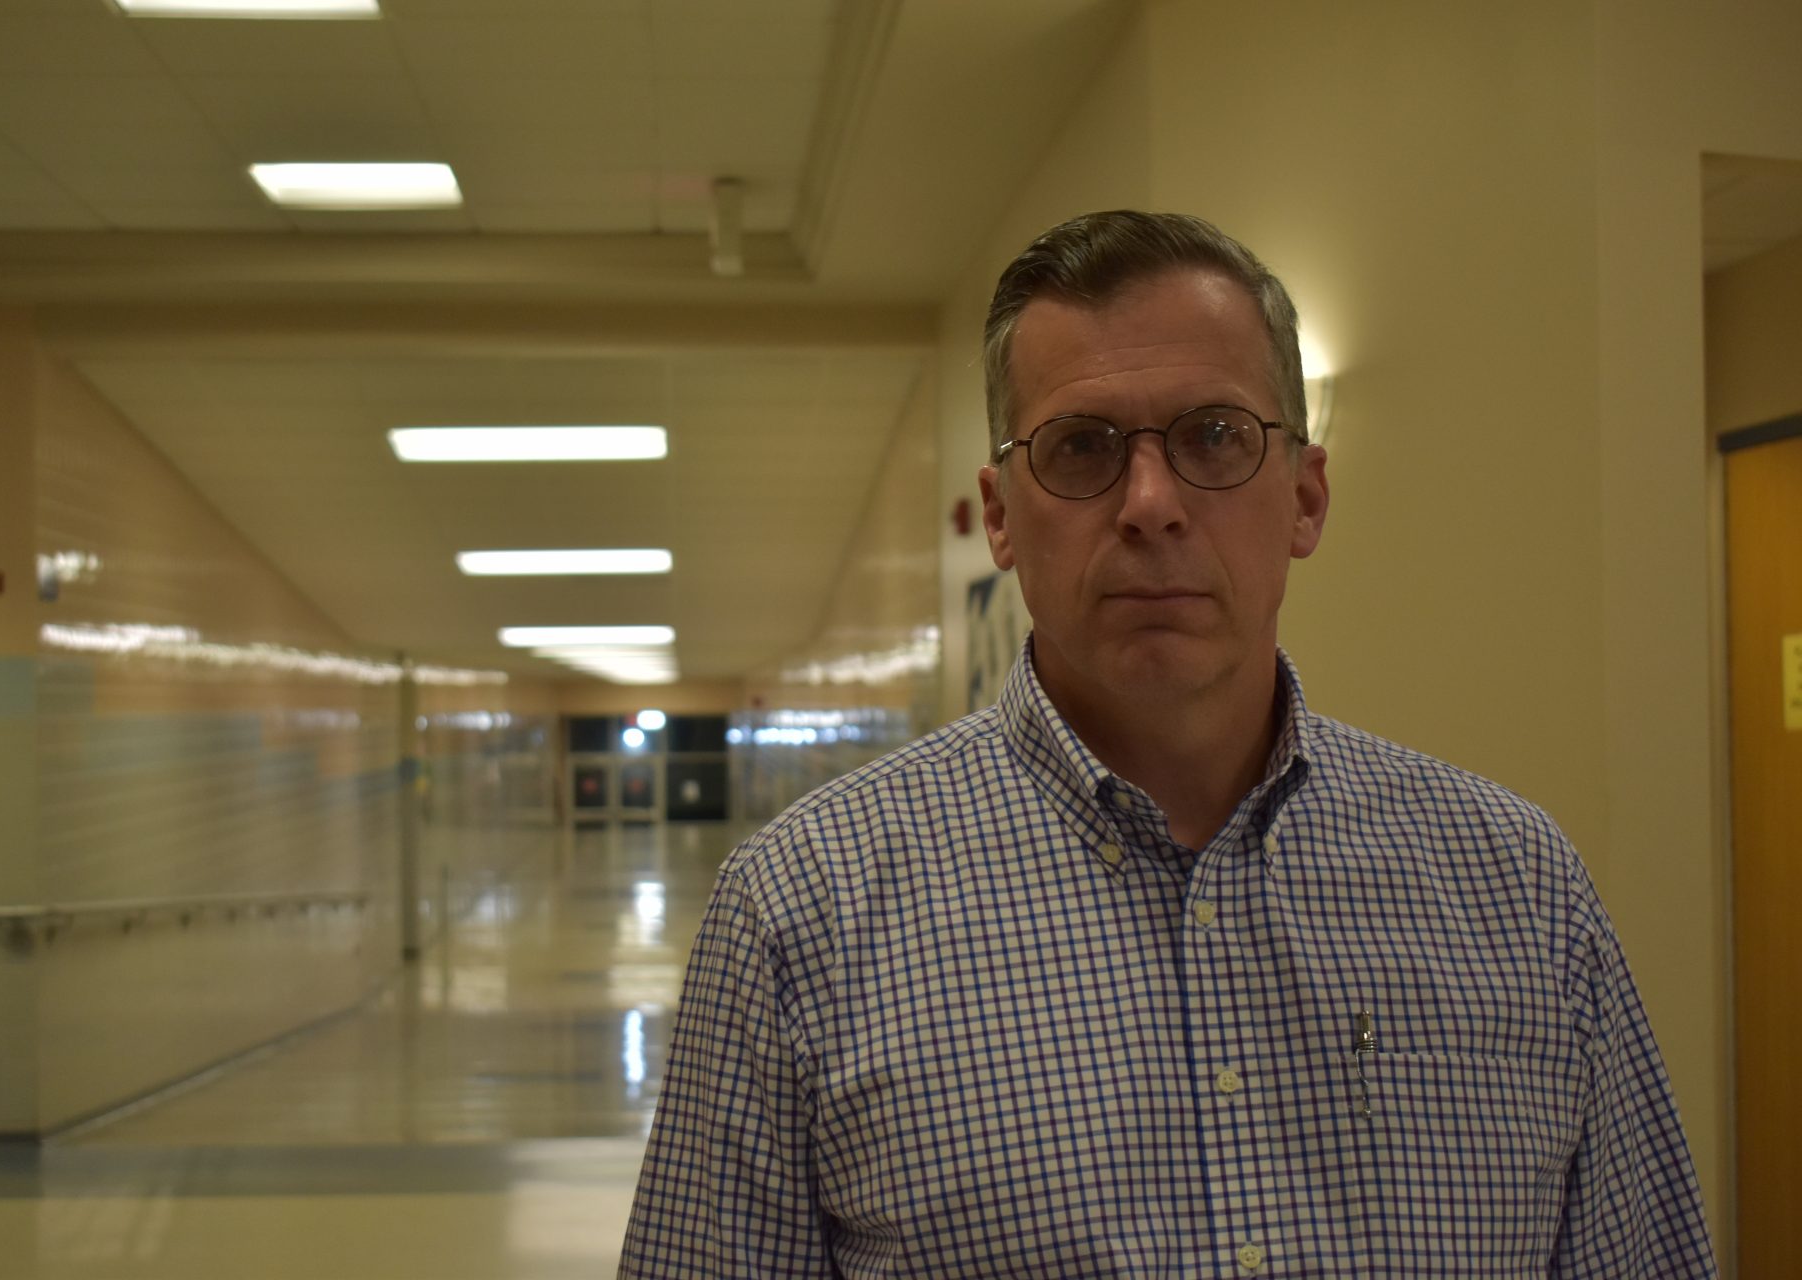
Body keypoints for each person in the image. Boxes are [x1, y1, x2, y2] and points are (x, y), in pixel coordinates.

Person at [618, 211, 1717, 1278]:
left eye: (1214, 437)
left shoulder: (1517, 890)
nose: (1150, 503)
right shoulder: (805, 914)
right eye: (1083, 448)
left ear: (1305, 495)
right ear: (1001, 514)